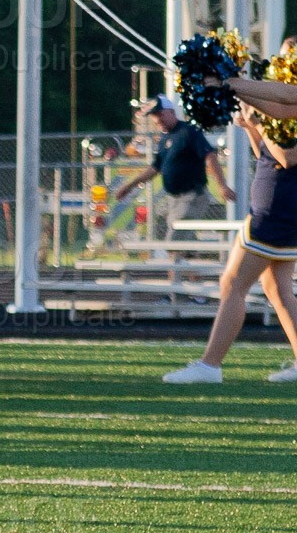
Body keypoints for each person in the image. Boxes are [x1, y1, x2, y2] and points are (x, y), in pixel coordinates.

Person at [162, 79, 297, 384]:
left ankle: (210, 366)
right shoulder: (288, 105)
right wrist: (248, 119)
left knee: (233, 283)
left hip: (279, 210)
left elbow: (288, 157)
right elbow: (271, 136)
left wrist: (229, 83)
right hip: (278, 204)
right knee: (277, 288)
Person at [112, 95, 234, 244]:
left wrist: (222, 185)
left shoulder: (188, 131)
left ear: (171, 112)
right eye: (154, 116)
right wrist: (129, 186)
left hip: (192, 196)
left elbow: (210, 156)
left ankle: (176, 263)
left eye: (160, 114)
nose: (157, 120)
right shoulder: (165, 138)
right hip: (174, 200)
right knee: (185, 245)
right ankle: (190, 261)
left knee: (174, 242)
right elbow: (155, 167)